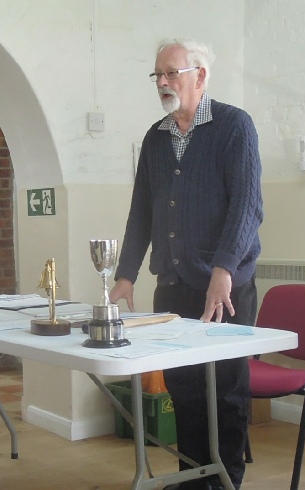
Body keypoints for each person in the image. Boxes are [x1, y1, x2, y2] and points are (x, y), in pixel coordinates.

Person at [109, 39, 263, 490]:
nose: (162, 82)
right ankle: (193, 478)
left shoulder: (235, 126)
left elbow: (246, 207)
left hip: (226, 288)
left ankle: (225, 480)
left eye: (171, 73)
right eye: (157, 74)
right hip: (172, 287)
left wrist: (223, 271)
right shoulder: (156, 138)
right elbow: (142, 211)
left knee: (226, 393)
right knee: (185, 390)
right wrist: (125, 275)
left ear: (200, 75)